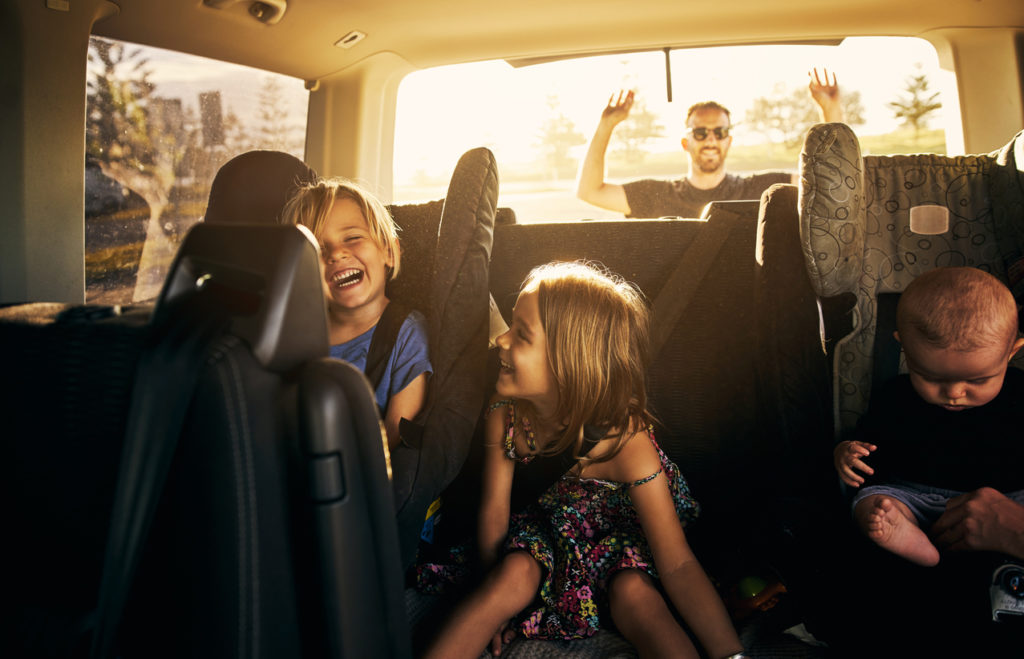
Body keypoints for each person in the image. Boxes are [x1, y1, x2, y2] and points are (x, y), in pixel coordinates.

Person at [423, 261, 745, 659]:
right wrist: (497, 606)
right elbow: (495, 513)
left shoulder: (626, 439)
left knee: (633, 593)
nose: (501, 341)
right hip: (549, 532)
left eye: (521, 335)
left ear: (568, 363)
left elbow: (676, 563)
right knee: (513, 574)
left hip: (625, 538)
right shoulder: (504, 413)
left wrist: (731, 653)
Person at [833, 267, 1024, 567]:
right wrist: (847, 453)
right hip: (915, 498)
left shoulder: (1019, 395)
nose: (954, 393)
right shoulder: (896, 396)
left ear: (1011, 354)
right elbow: (870, 446)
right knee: (871, 503)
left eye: (977, 380)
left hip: (1007, 500)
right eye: (930, 377)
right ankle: (911, 540)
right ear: (905, 349)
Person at [281, 177, 431, 450]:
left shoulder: (405, 332)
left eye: (352, 238)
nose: (336, 254)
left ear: (389, 251)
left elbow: (397, 431)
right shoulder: (294, 333)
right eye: (318, 249)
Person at [576, 68, 844, 218]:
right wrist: (606, 125)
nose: (711, 139)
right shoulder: (656, 196)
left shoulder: (763, 190)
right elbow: (590, 191)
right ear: (685, 142)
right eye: (701, 133)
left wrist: (831, 111)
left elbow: (831, 180)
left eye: (720, 132)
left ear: (729, 141)